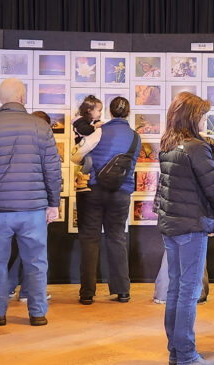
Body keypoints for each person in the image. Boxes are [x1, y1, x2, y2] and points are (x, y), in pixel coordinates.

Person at [0, 78, 61, 327]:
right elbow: (52, 169)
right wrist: (53, 203)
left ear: (1, 99)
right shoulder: (40, 127)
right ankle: (38, 313)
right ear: (23, 98)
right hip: (33, 208)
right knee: (36, 262)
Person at [155, 92, 214, 365]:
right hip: (192, 225)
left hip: (172, 226)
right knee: (189, 291)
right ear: (193, 117)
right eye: (203, 116)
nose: (205, 121)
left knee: (176, 288)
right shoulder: (196, 147)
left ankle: (176, 351)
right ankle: (185, 355)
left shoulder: (168, 144)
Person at [78, 96, 139, 304]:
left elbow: (79, 155)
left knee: (90, 238)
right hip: (121, 192)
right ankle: (122, 291)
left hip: (94, 190)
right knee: (117, 237)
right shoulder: (135, 137)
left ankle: (87, 293)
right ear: (128, 113)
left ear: (110, 112)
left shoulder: (99, 132)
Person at [6, 110, 57, 303]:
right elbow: (51, 176)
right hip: (37, 204)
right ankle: (27, 291)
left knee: (23, 249)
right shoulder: (44, 144)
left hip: (16, 204)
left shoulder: (19, 143)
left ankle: (9, 286)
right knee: (35, 252)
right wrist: (52, 204)